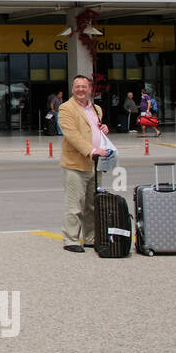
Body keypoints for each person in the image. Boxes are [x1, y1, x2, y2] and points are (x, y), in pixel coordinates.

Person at [60, 74, 111, 253]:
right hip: (75, 163)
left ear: (90, 89)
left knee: (91, 204)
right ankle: (71, 239)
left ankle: (90, 238)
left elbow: (94, 130)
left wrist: (103, 130)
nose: (80, 90)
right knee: (74, 204)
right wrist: (91, 150)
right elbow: (72, 134)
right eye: (77, 87)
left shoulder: (96, 109)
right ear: (73, 89)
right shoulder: (66, 108)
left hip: (94, 165)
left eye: (84, 87)